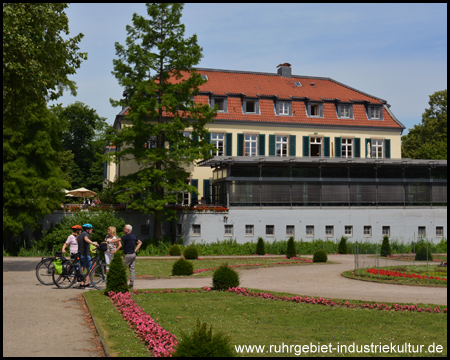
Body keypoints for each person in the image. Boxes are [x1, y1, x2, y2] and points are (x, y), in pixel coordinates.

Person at [110, 224, 142, 288]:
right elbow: (140, 242)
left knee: (121, 268)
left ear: (127, 230)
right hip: (133, 254)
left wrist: (110, 241)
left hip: (128, 255)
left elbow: (118, 239)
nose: (123, 230)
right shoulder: (133, 236)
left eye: (124, 229)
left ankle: (120, 283)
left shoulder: (127, 236)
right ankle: (131, 284)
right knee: (132, 269)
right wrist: (135, 250)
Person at [77, 223, 98, 288]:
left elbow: (76, 240)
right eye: (91, 229)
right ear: (87, 229)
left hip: (80, 254)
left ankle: (81, 283)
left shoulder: (80, 235)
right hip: (85, 255)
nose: (91, 230)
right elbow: (86, 239)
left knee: (81, 269)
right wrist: (93, 243)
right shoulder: (86, 234)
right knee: (89, 269)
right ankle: (86, 283)